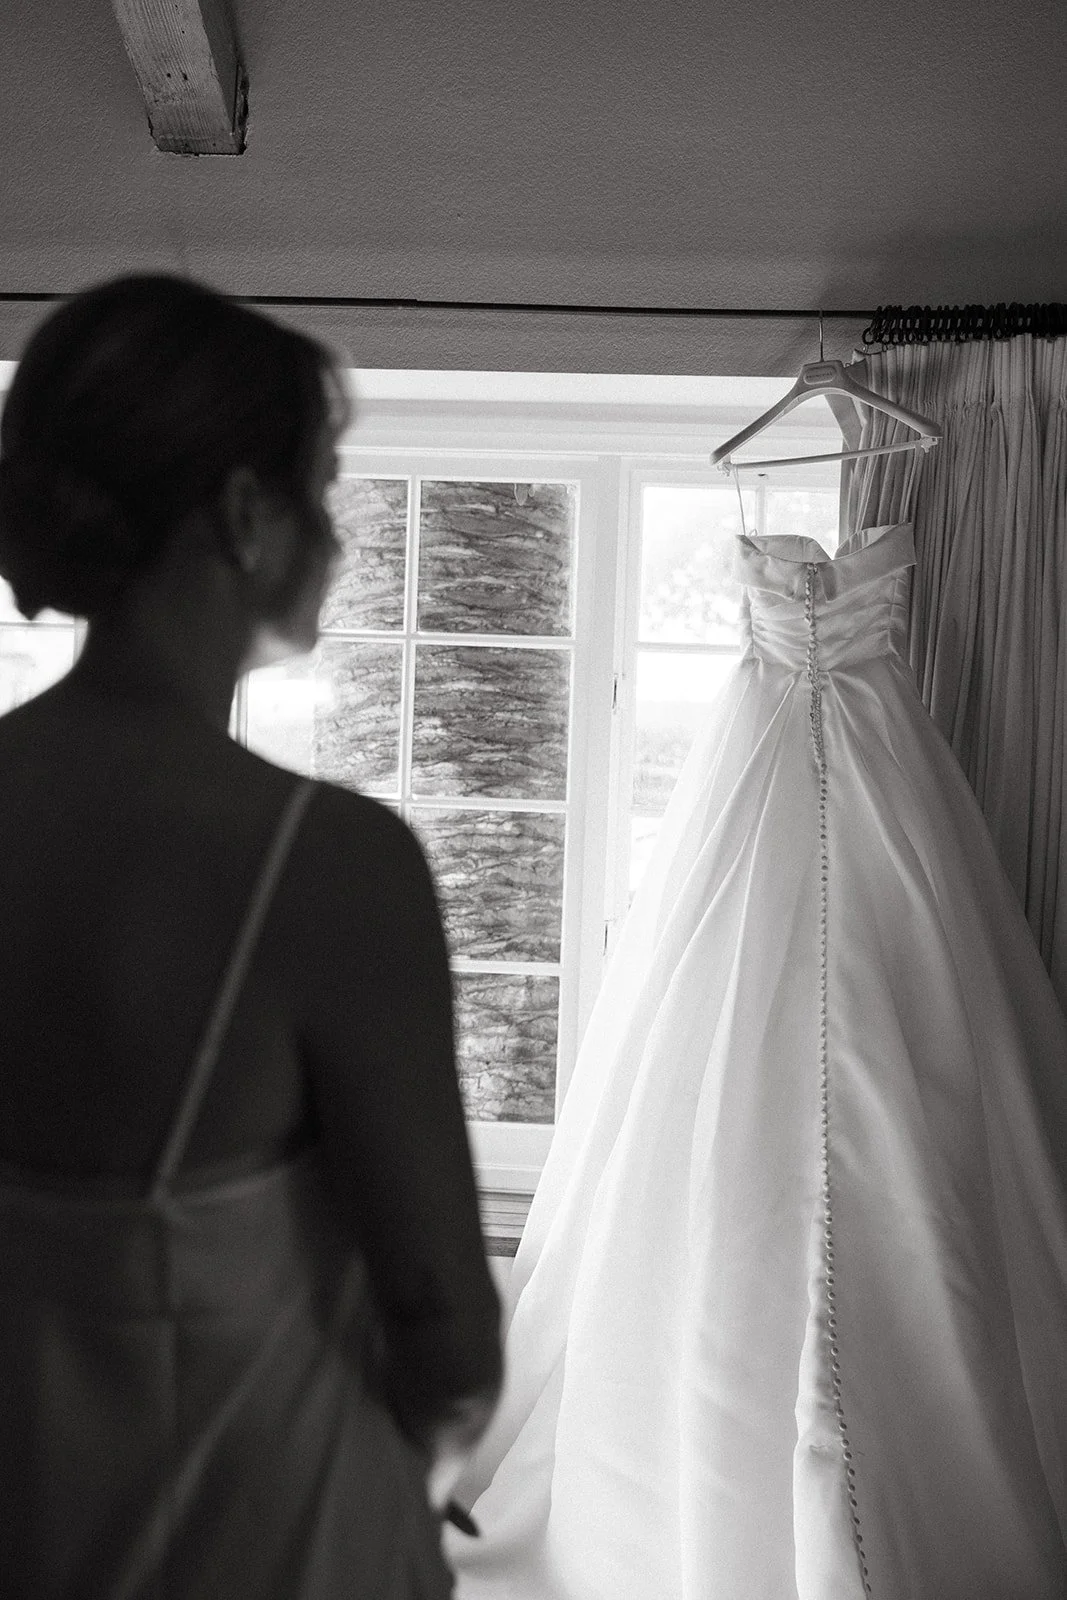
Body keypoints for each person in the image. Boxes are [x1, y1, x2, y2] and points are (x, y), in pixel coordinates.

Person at [445, 518, 1067, 1599]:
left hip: (881, 785)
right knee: (734, 1101)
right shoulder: (769, 561)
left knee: (916, 1073)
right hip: (774, 788)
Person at [0, 272, 502, 1599]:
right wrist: (420, 1472)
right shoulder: (326, 865)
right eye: (324, 491)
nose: (336, 535)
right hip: (266, 1545)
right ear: (242, 512)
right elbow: (447, 1340)